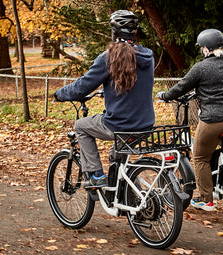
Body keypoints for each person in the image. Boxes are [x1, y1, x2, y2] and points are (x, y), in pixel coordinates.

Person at [54, 10, 155, 187]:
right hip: (146, 124)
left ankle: (97, 176)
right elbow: (135, 85)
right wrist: (108, 92)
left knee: (81, 126)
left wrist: (60, 94)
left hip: (120, 124)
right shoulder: (148, 56)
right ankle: (127, 197)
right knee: (116, 156)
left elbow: (83, 86)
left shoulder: (110, 57)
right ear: (135, 32)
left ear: (114, 32)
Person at [156, 28, 223, 211]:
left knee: (199, 157)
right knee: (216, 139)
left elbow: (181, 86)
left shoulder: (201, 67)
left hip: (215, 120)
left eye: (202, 48)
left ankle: (206, 199)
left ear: (206, 49)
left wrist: (165, 95)